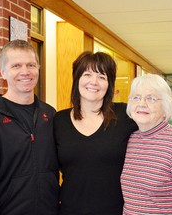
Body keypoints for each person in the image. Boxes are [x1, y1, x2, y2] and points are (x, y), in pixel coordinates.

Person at [0, 39, 59, 214]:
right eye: (16, 66)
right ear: (3, 72)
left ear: (38, 68)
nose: (25, 72)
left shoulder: (49, 114)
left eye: (31, 65)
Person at [53, 51, 138, 214]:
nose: (94, 82)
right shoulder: (59, 120)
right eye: (87, 74)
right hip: (69, 210)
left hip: (115, 210)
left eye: (102, 76)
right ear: (77, 79)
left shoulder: (125, 114)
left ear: (109, 84)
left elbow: (157, 121)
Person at [121, 73, 172, 214]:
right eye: (136, 97)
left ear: (166, 105)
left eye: (151, 98)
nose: (142, 104)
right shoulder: (130, 139)